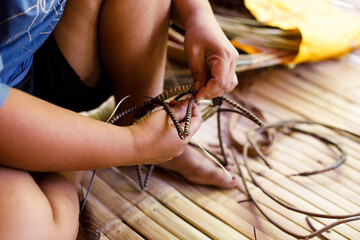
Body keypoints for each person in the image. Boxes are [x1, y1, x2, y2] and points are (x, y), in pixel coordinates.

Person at [0, 0, 239, 239]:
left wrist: (198, 15)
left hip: (34, 56)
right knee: (30, 229)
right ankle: (68, 167)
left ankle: (144, 120)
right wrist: (135, 143)